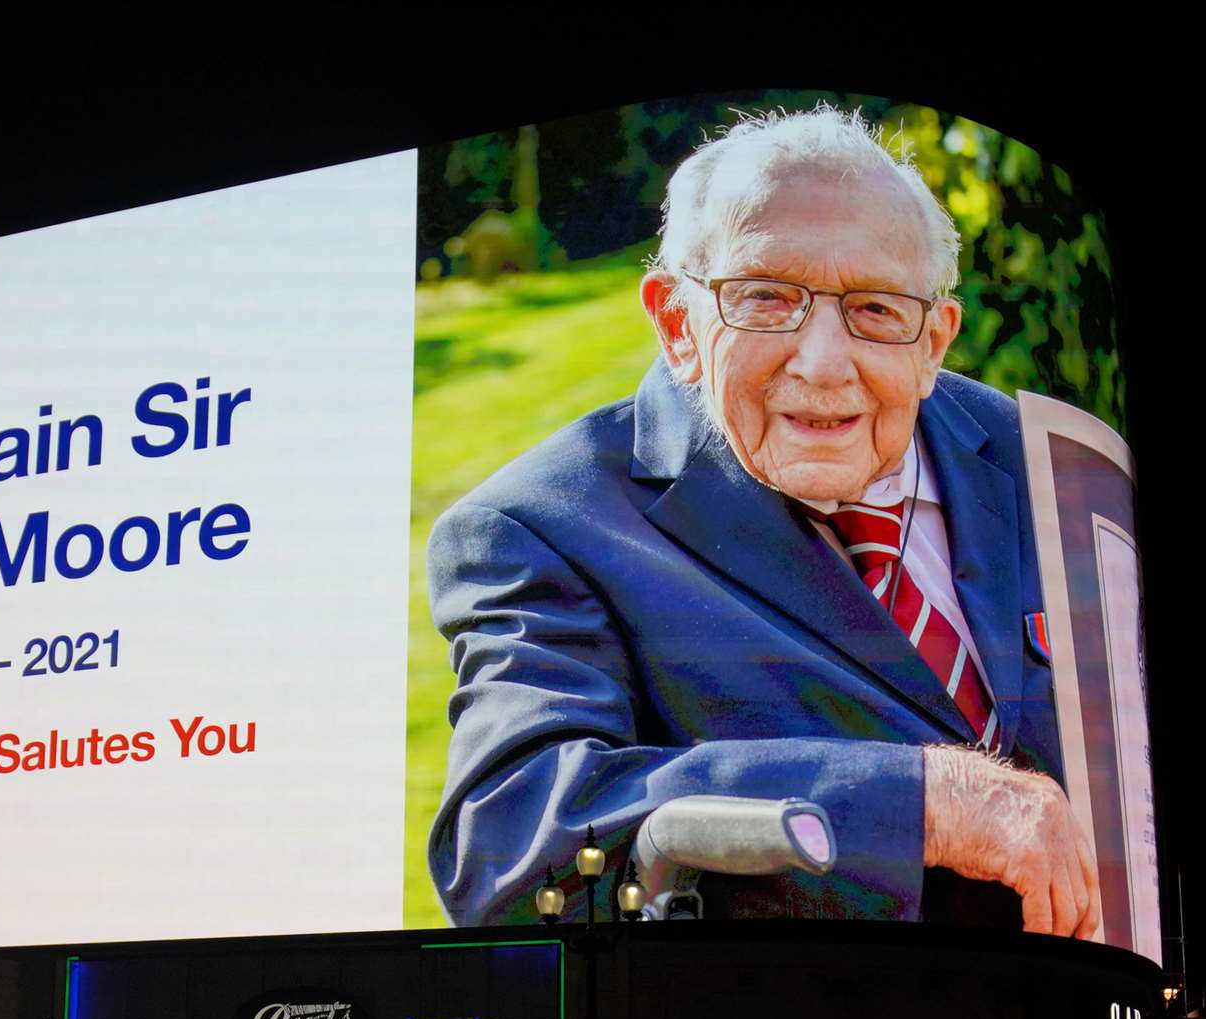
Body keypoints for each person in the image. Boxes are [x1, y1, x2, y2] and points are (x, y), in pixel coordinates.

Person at [426, 106, 1101, 937]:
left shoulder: (1042, 458)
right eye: (767, 299)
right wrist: (919, 803)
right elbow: (513, 850)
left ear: (935, 339)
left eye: (877, 310)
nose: (822, 364)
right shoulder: (541, 528)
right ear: (677, 324)